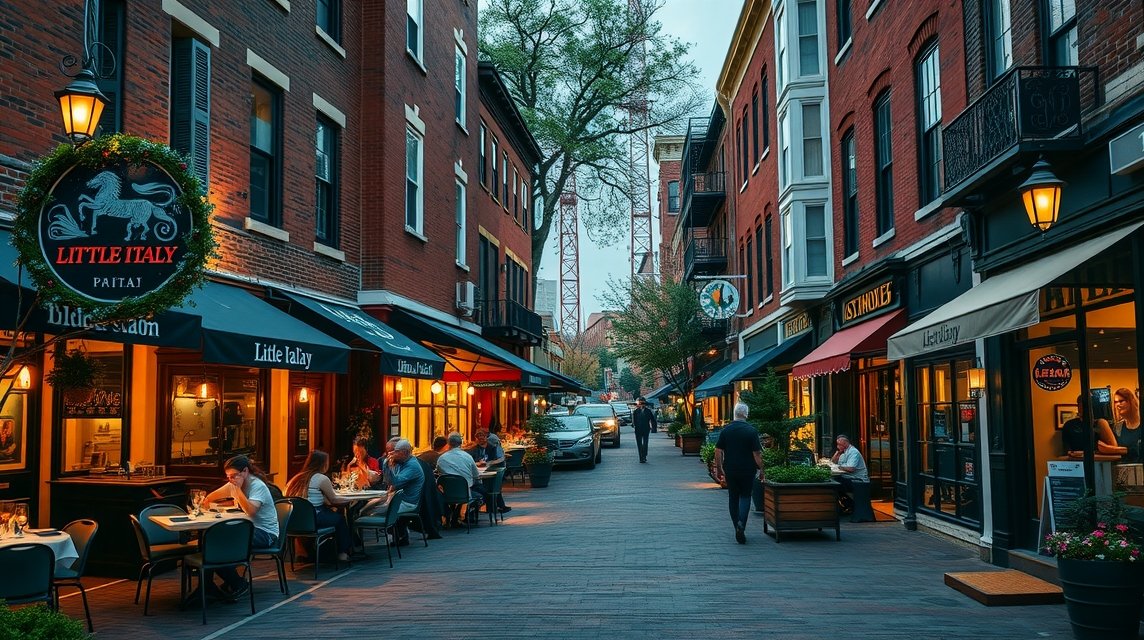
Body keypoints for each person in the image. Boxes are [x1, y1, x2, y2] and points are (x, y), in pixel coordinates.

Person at [202, 455, 278, 600]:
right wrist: (205, 501)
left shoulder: (257, 486)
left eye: (233, 476)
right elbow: (211, 497)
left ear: (245, 471)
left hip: (265, 533)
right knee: (214, 543)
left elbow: (251, 511)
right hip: (247, 529)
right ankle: (211, 585)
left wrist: (237, 491)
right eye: (228, 476)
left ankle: (238, 583)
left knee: (219, 546)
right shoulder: (233, 483)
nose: (231, 479)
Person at [286, 450, 353, 562]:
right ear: (323, 464)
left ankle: (302, 552)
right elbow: (334, 499)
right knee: (340, 519)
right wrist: (351, 499)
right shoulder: (321, 478)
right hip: (314, 516)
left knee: (330, 514)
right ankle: (342, 553)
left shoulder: (296, 478)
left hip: (294, 520)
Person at [714, 403, 761, 544]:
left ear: (734, 414)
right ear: (746, 414)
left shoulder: (726, 430)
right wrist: (762, 469)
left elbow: (718, 451)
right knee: (746, 496)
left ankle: (737, 526)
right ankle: (742, 524)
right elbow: (757, 453)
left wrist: (719, 467)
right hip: (748, 469)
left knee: (733, 497)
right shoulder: (751, 431)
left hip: (731, 469)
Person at [436, 432, 485, 524]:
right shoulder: (467, 457)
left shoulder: (441, 458)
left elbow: (439, 473)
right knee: (479, 491)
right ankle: (464, 516)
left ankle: (451, 516)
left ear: (449, 444)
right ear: (461, 443)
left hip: (447, 493)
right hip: (465, 493)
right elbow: (476, 475)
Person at [382, 439, 424, 545]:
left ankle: (398, 534)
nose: (392, 454)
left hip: (408, 502)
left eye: (396, 451)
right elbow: (390, 483)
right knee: (371, 506)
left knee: (379, 509)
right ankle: (399, 534)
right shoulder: (402, 463)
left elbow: (395, 482)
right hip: (399, 499)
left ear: (404, 452)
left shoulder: (412, 466)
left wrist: (386, 463)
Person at [1113, 388, 1142, 463]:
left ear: (1131, 401)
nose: (1118, 405)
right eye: (1116, 402)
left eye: (1121, 401)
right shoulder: (1118, 427)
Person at [632, 397, 658, 463]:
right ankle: (641, 457)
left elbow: (653, 420)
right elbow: (634, 421)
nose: (642, 405)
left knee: (645, 443)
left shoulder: (648, 411)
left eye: (643, 403)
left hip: (646, 429)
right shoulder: (636, 411)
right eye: (641, 403)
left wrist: (654, 428)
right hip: (638, 429)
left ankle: (644, 455)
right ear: (639, 404)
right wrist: (634, 425)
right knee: (639, 444)